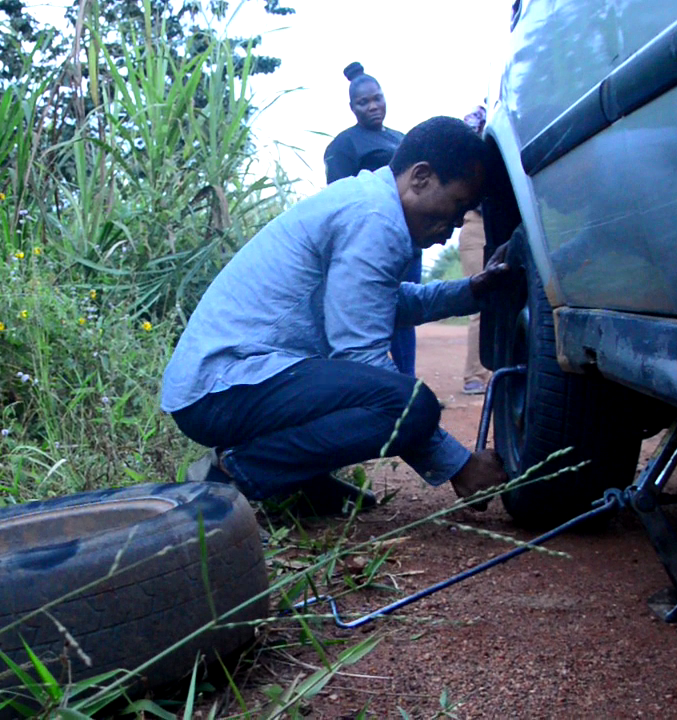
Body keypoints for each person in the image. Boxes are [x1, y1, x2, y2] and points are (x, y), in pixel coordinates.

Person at [163, 116, 512, 514]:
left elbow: (380, 304)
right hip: (223, 386)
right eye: (457, 206)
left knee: (376, 393)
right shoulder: (375, 219)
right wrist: (459, 465)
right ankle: (232, 475)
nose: (452, 228)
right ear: (420, 178)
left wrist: (470, 291)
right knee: (407, 405)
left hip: (225, 383)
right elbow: (362, 357)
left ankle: (300, 482)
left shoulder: (369, 203)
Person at [323, 62, 421, 378]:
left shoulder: (403, 140)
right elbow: (340, 199)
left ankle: (406, 384)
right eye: (363, 102)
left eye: (377, 98)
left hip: (410, 242)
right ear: (352, 107)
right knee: (373, 315)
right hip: (372, 245)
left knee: (405, 314)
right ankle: (374, 386)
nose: (373, 106)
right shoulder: (344, 145)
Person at [458, 105, 492, 395]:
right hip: (477, 222)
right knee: (480, 300)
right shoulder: (478, 119)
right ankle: (475, 375)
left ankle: (497, 372)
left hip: (508, 223)